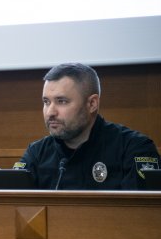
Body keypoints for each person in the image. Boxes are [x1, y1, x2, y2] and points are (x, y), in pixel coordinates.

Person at [14, 63, 160, 189]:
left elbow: (141, 210)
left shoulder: (134, 148)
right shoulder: (37, 153)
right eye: (46, 102)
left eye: (62, 101)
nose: (50, 112)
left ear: (92, 104)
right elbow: (12, 204)